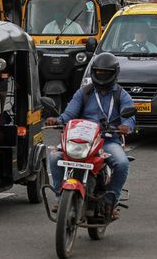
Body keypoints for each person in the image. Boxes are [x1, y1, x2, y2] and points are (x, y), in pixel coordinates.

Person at [46, 52, 134, 219]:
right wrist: (57, 120)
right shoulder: (84, 93)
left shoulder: (121, 95)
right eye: (98, 72)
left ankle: (110, 201)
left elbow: (129, 116)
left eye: (105, 73)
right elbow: (69, 114)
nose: (101, 75)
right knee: (54, 157)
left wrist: (126, 126)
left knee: (122, 163)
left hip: (108, 140)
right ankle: (60, 197)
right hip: (82, 140)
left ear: (114, 74)